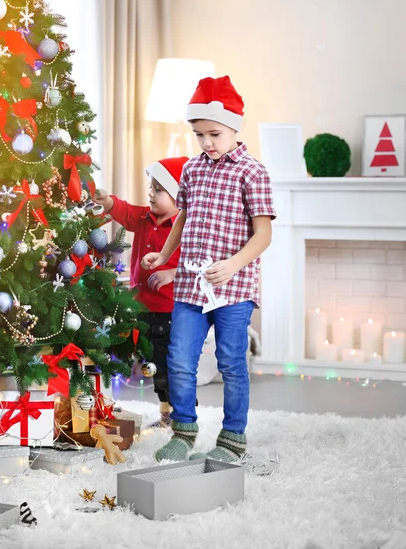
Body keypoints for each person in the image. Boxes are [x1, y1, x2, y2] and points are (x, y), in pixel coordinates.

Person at [141, 75, 277, 462]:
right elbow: (183, 219)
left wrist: (232, 266)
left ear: (235, 126)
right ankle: (183, 431)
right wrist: (166, 256)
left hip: (234, 288)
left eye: (214, 133)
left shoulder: (253, 173)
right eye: (199, 134)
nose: (206, 143)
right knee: (179, 359)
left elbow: (263, 234)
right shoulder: (192, 170)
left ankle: (233, 437)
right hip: (190, 286)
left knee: (231, 362)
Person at [93, 156, 188, 427]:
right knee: (152, 363)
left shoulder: (183, 229)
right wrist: (107, 201)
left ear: (179, 196)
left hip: (170, 311)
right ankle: (165, 411)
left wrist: (172, 274)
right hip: (141, 308)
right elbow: (122, 210)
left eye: (159, 189)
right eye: (151, 187)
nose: (151, 193)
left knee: (167, 365)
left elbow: (193, 265)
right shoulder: (144, 218)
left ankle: (178, 414)